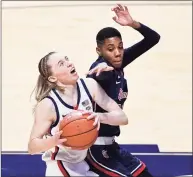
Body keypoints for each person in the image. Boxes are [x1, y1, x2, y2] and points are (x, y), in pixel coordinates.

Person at [86, 4, 161, 177]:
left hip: (111, 145)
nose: (118, 53)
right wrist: (102, 67)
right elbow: (98, 76)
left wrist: (132, 23)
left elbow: (153, 39)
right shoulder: (100, 71)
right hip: (94, 148)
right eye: (110, 49)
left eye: (120, 47)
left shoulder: (118, 60)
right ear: (99, 51)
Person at [28, 52, 129, 176]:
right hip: (60, 165)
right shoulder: (48, 105)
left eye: (67, 59)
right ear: (53, 78)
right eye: (62, 64)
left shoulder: (89, 85)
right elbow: (32, 147)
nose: (69, 63)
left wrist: (99, 116)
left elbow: (123, 118)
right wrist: (53, 141)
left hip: (84, 162)